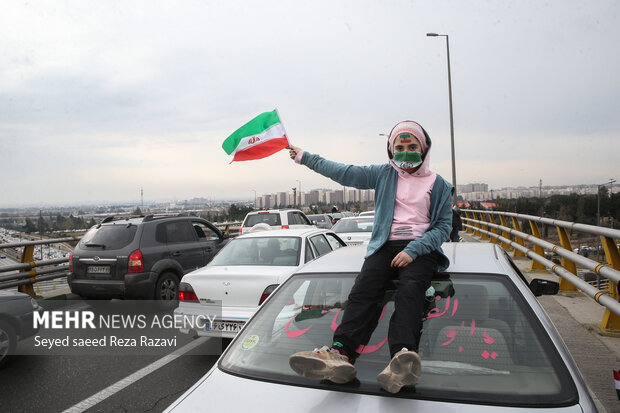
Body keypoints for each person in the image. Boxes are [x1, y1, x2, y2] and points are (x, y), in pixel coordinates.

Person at [286, 120, 453, 393]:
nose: (406, 151)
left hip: (421, 248)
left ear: (423, 149)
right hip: (384, 246)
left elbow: (443, 228)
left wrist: (413, 250)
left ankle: (402, 356)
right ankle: (340, 353)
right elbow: (345, 173)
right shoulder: (384, 174)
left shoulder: (440, 185)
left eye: (412, 146)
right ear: (390, 149)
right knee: (363, 292)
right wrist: (306, 158)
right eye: (400, 147)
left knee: (411, 290)